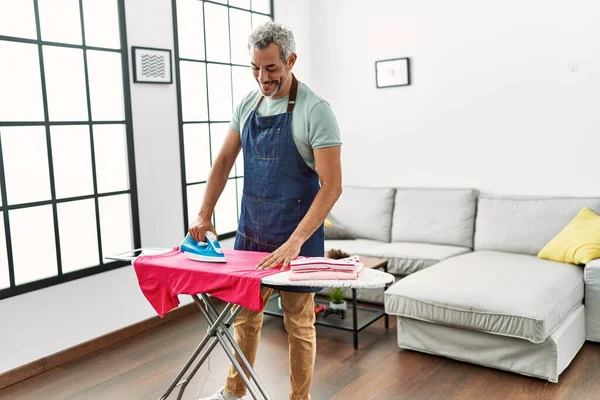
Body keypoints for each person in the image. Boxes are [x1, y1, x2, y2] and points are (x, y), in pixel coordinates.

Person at [190, 20, 342, 400]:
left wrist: (295, 242)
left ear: (291, 60)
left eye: (271, 68)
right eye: (255, 68)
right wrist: (204, 213)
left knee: (299, 324)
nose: (262, 77)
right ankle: (234, 394)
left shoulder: (315, 110)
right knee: (245, 319)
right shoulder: (248, 104)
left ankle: (299, 398)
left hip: (297, 238)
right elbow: (224, 161)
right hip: (253, 233)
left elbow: (332, 186)